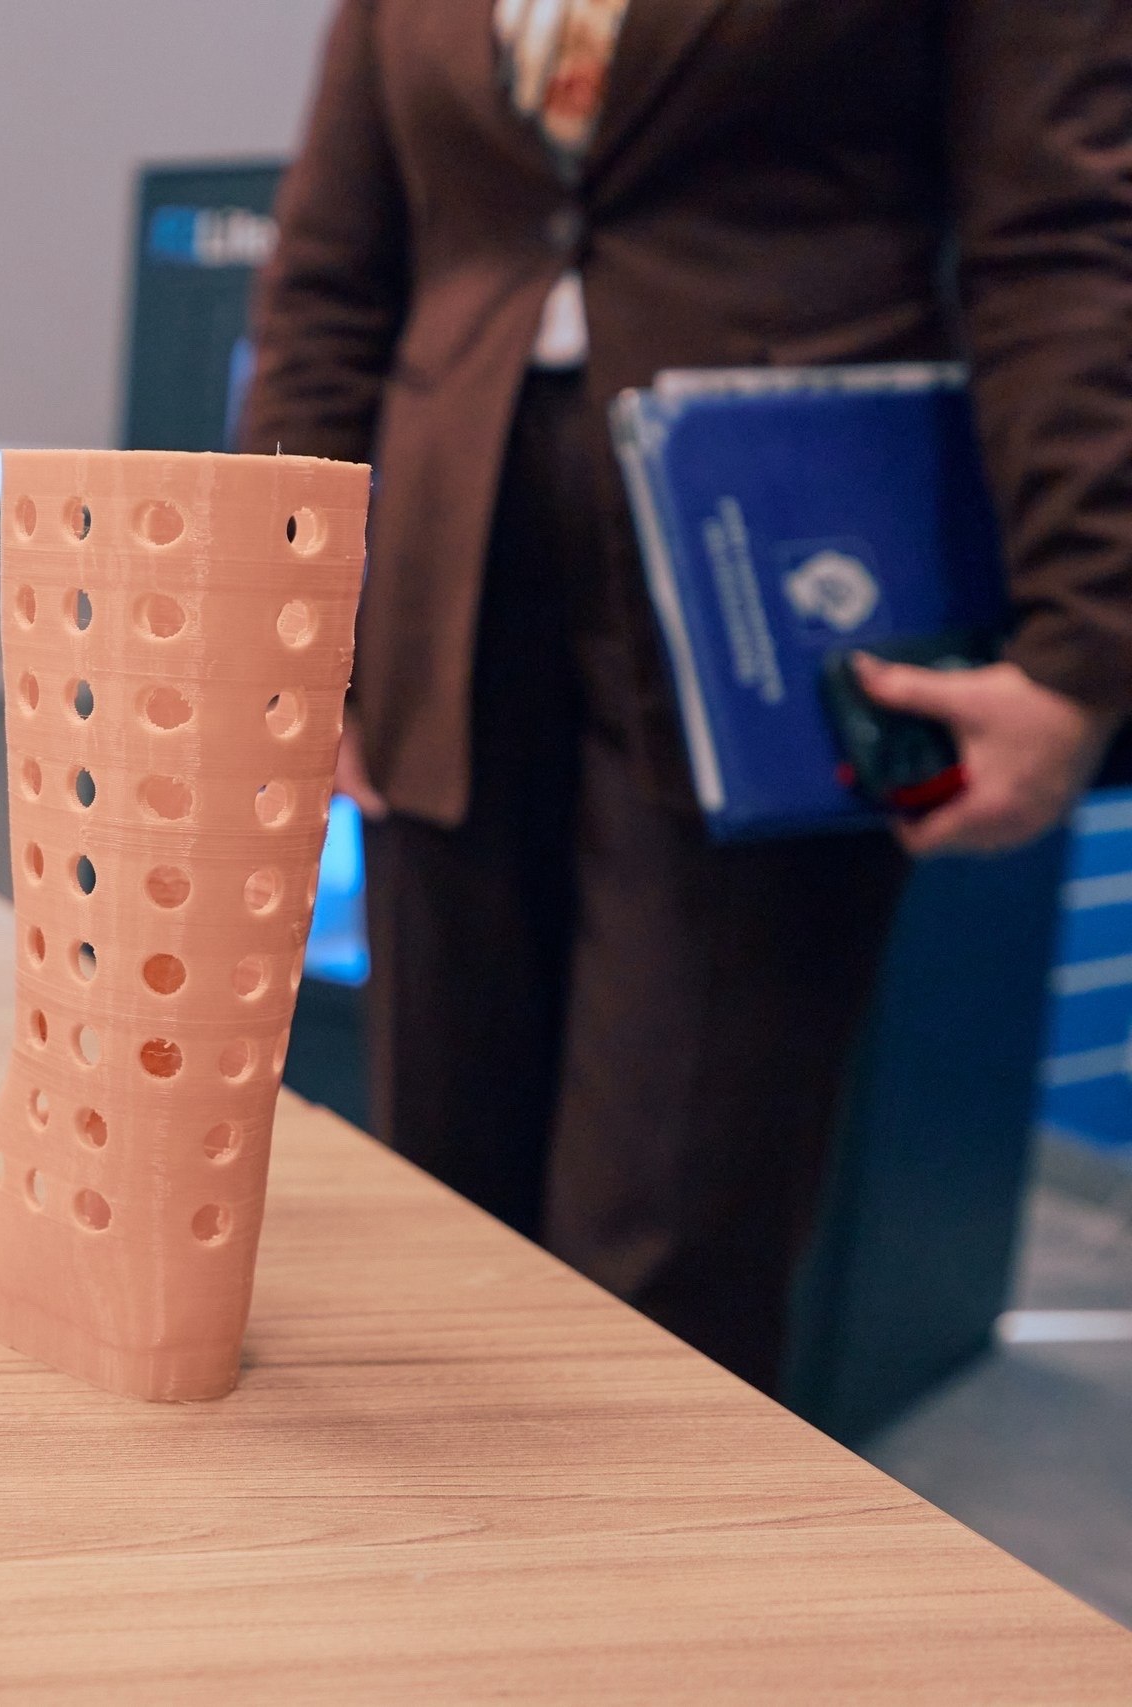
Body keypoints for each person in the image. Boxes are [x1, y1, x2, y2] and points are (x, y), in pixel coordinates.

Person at [240, 0, 1132, 1393]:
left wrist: (1085, 641)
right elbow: (329, 278)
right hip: (445, 567)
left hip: (775, 576)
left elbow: (1062, 245)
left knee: (672, 1233)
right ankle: (431, 1529)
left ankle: (635, 1537)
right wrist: (287, 610)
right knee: (440, 1183)